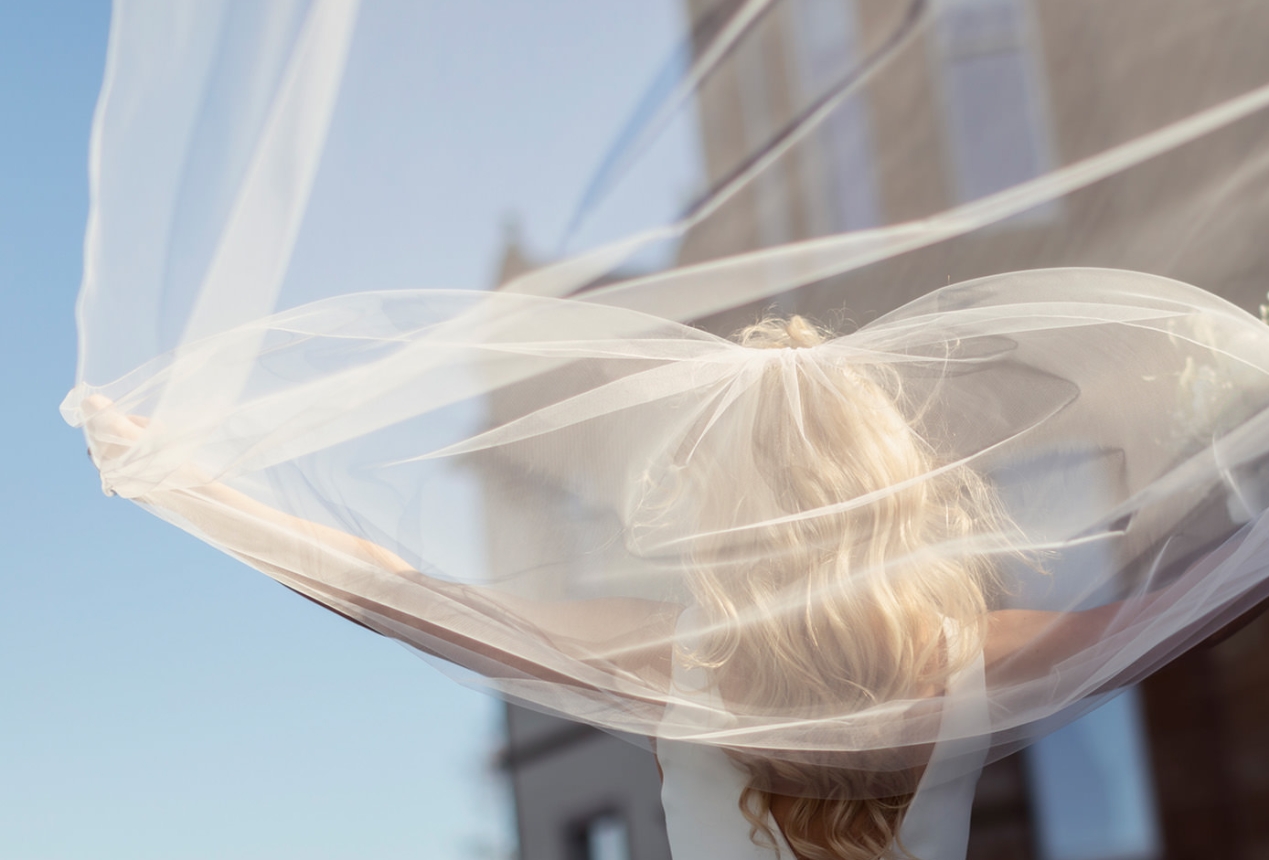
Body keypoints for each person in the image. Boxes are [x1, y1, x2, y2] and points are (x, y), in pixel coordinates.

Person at [82, 314, 1139, 860]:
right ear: (884, 484)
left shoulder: (675, 656)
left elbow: (392, 590)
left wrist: (180, 484)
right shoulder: (975, 651)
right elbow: (1200, 592)